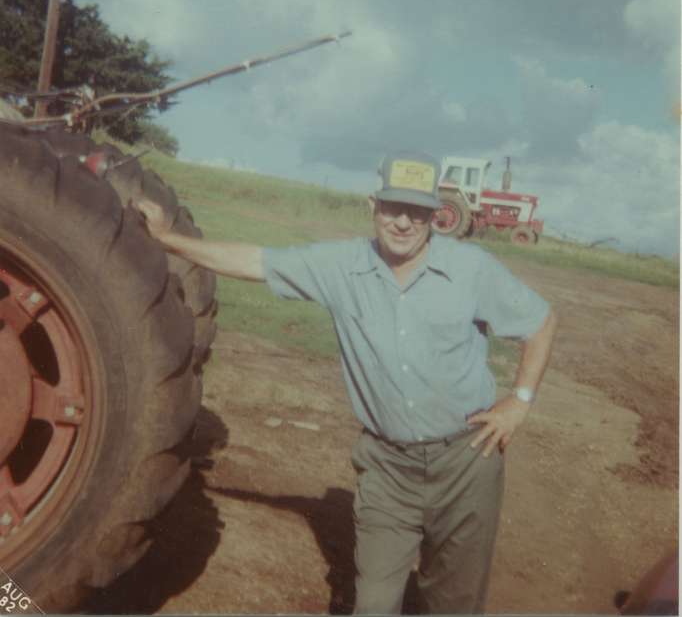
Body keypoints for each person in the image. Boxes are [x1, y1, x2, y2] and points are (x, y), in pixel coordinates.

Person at [137, 151, 557, 615]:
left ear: (435, 214)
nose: (403, 222)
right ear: (373, 206)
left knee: (453, 602)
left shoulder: (470, 269)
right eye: (393, 208)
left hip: (467, 461)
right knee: (374, 604)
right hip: (387, 469)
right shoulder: (340, 266)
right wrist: (166, 239)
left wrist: (518, 402)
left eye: (416, 211)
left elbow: (540, 323)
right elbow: (254, 261)